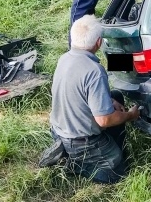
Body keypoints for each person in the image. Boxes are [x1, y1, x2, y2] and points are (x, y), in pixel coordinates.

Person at [49, 15, 140, 184]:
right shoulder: (95, 71)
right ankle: (76, 163)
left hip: (60, 128)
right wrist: (130, 116)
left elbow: (80, 91)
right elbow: (104, 120)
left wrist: (108, 101)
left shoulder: (64, 58)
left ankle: (67, 149)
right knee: (118, 173)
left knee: (115, 96)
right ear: (99, 42)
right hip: (81, 141)